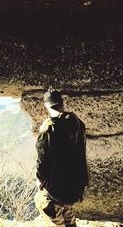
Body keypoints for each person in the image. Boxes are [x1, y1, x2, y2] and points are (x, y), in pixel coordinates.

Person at [34, 89, 89, 227]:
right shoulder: (77, 123)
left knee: (42, 202)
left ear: (47, 106)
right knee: (68, 213)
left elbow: (42, 159)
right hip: (73, 185)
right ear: (62, 104)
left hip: (55, 188)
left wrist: (40, 180)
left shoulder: (48, 128)